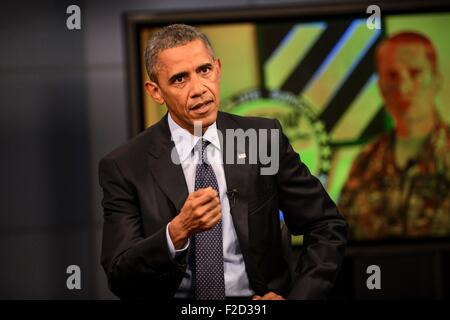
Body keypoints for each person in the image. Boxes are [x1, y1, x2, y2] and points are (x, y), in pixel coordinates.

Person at [99, 24, 347, 300]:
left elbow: (325, 225)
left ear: (217, 68)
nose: (198, 89)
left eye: (204, 70)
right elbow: (120, 275)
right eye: (180, 79)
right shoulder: (125, 166)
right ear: (155, 91)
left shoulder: (263, 139)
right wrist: (177, 231)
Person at [339, 31, 450, 241]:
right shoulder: (365, 162)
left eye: (415, 73)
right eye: (392, 75)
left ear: (436, 80)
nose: (403, 87)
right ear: (381, 87)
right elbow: (342, 242)